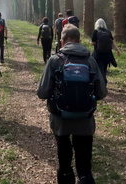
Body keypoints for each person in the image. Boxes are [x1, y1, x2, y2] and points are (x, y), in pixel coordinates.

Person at [37, 24, 107, 184]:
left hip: (60, 119)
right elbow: (102, 92)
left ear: (62, 41)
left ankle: (66, 175)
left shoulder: (55, 60)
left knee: (64, 159)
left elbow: (42, 92)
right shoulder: (90, 61)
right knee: (84, 163)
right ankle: (84, 177)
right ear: (79, 41)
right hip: (85, 119)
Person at [90, 18, 120, 83]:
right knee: (104, 68)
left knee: (98, 68)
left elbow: (92, 42)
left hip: (98, 54)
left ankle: (101, 81)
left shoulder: (96, 31)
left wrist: (92, 43)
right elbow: (113, 41)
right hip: (107, 54)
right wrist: (118, 50)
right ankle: (103, 80)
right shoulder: (108, 32)